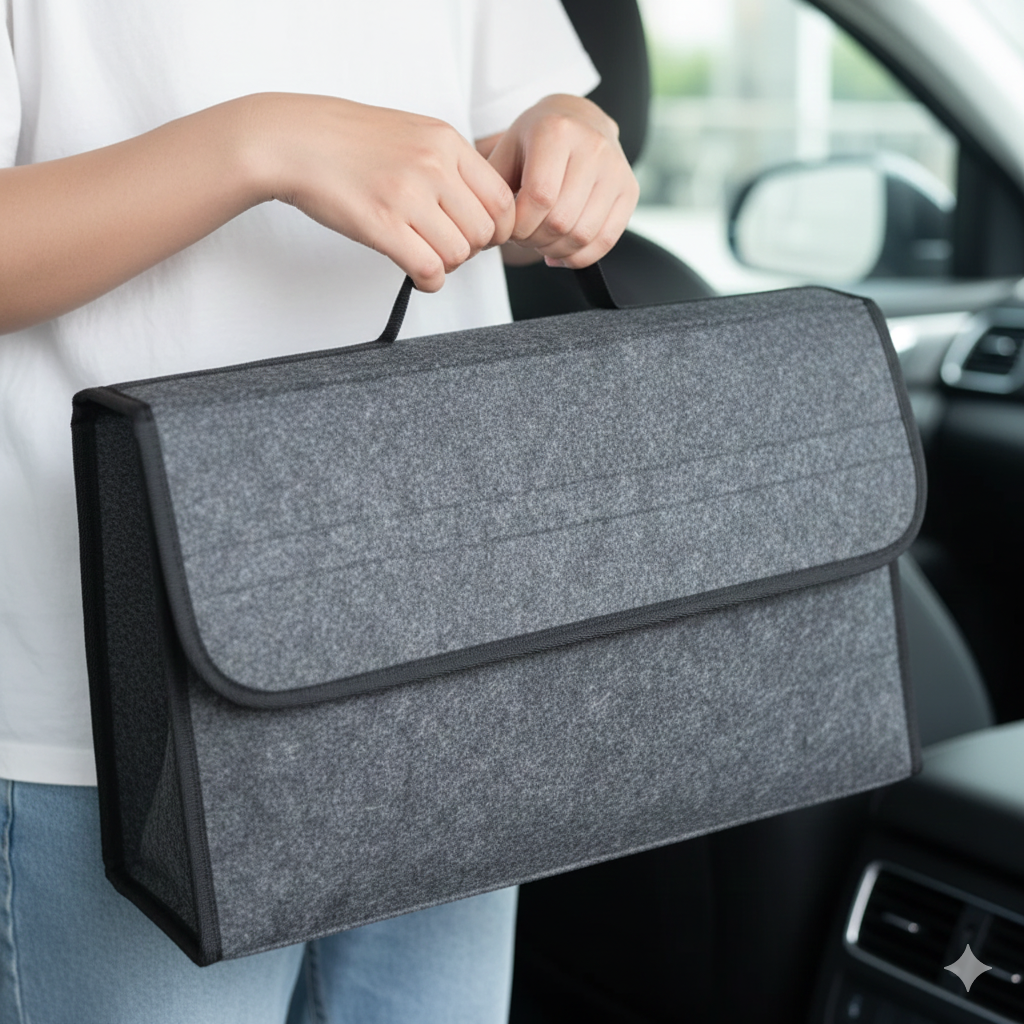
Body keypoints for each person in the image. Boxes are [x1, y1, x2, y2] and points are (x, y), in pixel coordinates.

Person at [0, 1, 639, 1021]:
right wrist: (262, 143)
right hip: (129, 721)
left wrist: (567, 141)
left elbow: (517, 137)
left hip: (449, 656)